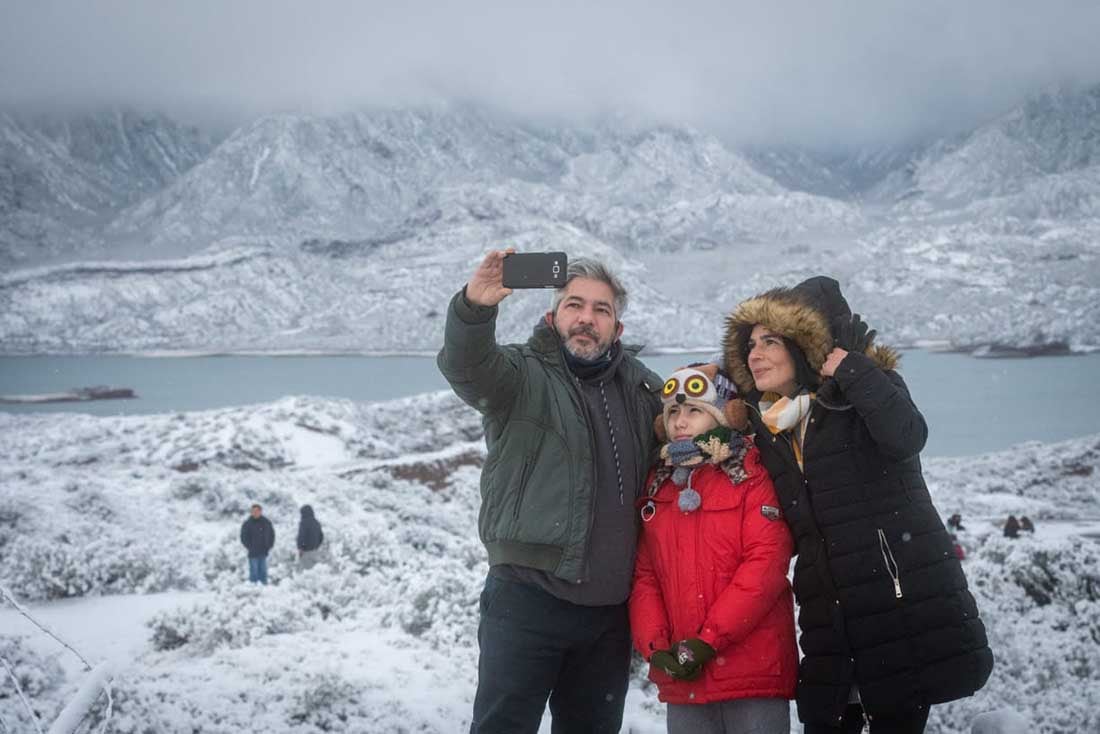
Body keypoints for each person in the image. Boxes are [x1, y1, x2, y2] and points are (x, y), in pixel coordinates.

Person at [722, 276, 993, 733]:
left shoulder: (865, 392)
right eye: (750, 344)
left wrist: (852, 369)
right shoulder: (773, 422)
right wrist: (710, 379)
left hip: (896, 605)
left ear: (803, 346)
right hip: (830, 616)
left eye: (770, 341)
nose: (755, 353)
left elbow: (907, 437)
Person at [437, 251, 663, 734]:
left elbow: (691, 435)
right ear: (552, 317)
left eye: (601, 309)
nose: (587, 318)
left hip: (608, 617)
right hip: (526, 600)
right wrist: (474, 308)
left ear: (616, 328)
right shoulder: (519, 375)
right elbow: (465, 365)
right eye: (574, 305)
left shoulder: (644, 391)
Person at [630, 364, 798, 734]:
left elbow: (765, 566)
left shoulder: (752, 475)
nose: (680, 421)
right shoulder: (659, 486)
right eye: (673, 411)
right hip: (683, 676)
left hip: (752, 672)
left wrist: (707, 642)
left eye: (694, 410)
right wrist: (657, 648)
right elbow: (645, 577)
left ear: (723, 415)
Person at [240, 503, 275, 584]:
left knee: (263, 572)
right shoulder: (247, 523)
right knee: (254, 572)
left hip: (263, 551)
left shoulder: (266, 522)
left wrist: (269, 545)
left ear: (260, 511)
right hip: (253, 552)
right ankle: (253, 589)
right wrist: (249, 546)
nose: (255, 513)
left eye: (256, 511)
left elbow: (272, 535)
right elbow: (243, 537)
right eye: (253, 511)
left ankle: (264, 589)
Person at [296, 505, 324, 569]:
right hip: (315, 551)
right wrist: (317, 546)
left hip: (306, 552)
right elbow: (321, 536)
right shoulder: (317, 523)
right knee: (315, 572)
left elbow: (301, 536)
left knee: (306, 572)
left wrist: (300, 548)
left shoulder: (303, 523)